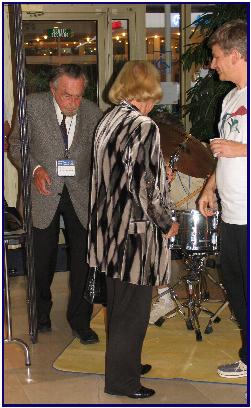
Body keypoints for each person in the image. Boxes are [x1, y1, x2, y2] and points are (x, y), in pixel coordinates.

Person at [87, 60, 179, 398]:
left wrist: (156, 179)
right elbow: (146, 188)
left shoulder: (108, 119)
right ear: (147, 90)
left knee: (120, 306)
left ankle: (125, 363)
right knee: (132, 311)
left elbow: (119, 177)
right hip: (134, 235)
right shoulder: (144, 126)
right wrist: (167, 222)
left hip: (108, 230)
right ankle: (123, 382)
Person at [9, 64, 103, 344]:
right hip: (43, 192)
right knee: (40, 260)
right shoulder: (31, 105)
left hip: (80, 193)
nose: (74, 103)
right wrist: (35, 169)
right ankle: (40, 316)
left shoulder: (92, 111)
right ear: (52, 89)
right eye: (67, 96)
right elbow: (16, 144)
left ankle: (80, 321)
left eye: (78, 96)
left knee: (84, 262)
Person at [198, 20, 247, 379]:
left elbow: (234, 148)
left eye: (216, 57)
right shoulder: (230, 98)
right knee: (237, 287)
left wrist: (241, 148)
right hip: (232, 214)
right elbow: (223, 152)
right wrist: (209, 186)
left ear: (234, 54)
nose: (212, 64)